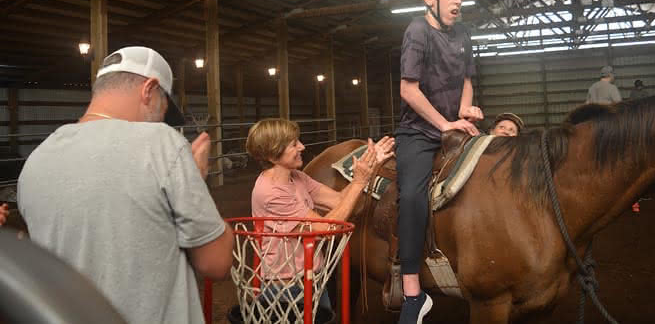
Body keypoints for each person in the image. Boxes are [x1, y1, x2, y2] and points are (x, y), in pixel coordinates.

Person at [18, 46, 233, 324]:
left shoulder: (37, 160)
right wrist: (195, 180)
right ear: (149, 89)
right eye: (164, 109)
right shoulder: (161, 143)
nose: (161, 120)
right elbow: (216, 262)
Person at [396, 0, 483, 324]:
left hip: (453, 126)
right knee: (413, 196)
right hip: (419, 132)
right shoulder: (417, 30)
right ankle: (413, 291)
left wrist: (464, 110)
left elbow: (466, 79)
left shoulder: (463, 35)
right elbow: (408, 90)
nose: (457, 1)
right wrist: (445, 123)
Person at [246, 118, 395, 313]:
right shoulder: (272, 192)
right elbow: (327, 228)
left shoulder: (297, 178)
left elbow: (340, 199)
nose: (302, 146)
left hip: (311, 277)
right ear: (273, 155)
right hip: (284, 287)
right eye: (293, 144)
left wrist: (371, 167)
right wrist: (359, 182)